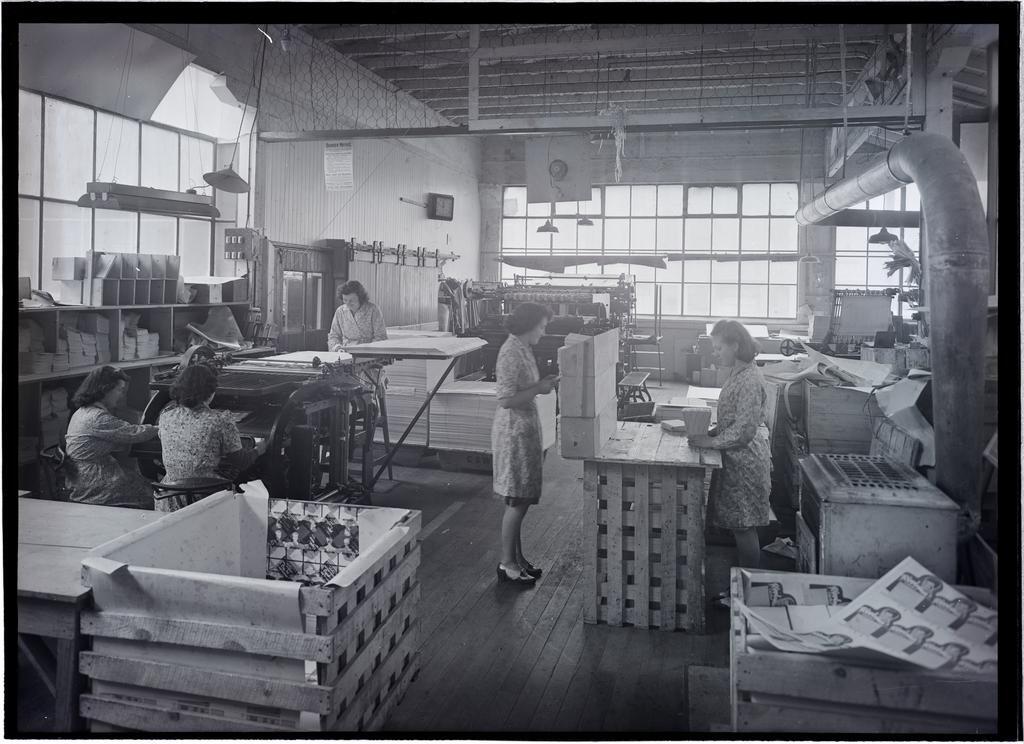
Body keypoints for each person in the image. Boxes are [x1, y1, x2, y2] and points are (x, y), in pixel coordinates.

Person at [688, 320, 771, 605]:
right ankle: (740, 589)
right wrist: (712, 431)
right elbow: (733, 420)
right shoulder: (739, 372)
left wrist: (712, 442)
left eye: (719, 347)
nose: (716, 353)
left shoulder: (748, 379)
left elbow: (745, 429)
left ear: (736, 346)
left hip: (745, 462)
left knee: (744, 528)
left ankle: (748, 595)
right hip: (736, 459)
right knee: (739, 526)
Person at [492, 303, 559, 585]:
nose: (543, 333)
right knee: (517, 500)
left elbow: (525, 388)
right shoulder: (510, 352)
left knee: (521, 498)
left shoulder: (523, 347)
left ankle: (517, 558)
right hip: (514, 433)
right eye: (542, 327)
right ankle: (506, 564)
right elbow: (506, 400)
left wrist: (542, 383)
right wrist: (539, 388)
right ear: (530, 324)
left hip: (525, 430)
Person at [64, 366, 160, 509]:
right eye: (120, 390)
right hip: (92, 483)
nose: (121, 395)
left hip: (81, 477)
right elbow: (133, 432)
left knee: (145, 485)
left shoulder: (82, 411)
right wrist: (163, 427)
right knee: (155, 495)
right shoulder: (97, 418)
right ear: (105, 390)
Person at [157, 365, 266, 488]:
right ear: (211, 392)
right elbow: (241, 462)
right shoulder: (220, 421)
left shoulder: (166, 416)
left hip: (170, 494)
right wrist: (259, 450)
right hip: (206, 497)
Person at [328, 280, 388, 351]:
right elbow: (334, 336)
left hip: (370, 352)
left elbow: (381, 336)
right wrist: (337, 348)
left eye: (351, 300)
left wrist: (368, 349)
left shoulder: (373, 310)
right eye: (345, 300)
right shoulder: (340, 311)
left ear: (360, 297)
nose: (348, 303)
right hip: (346, 351)